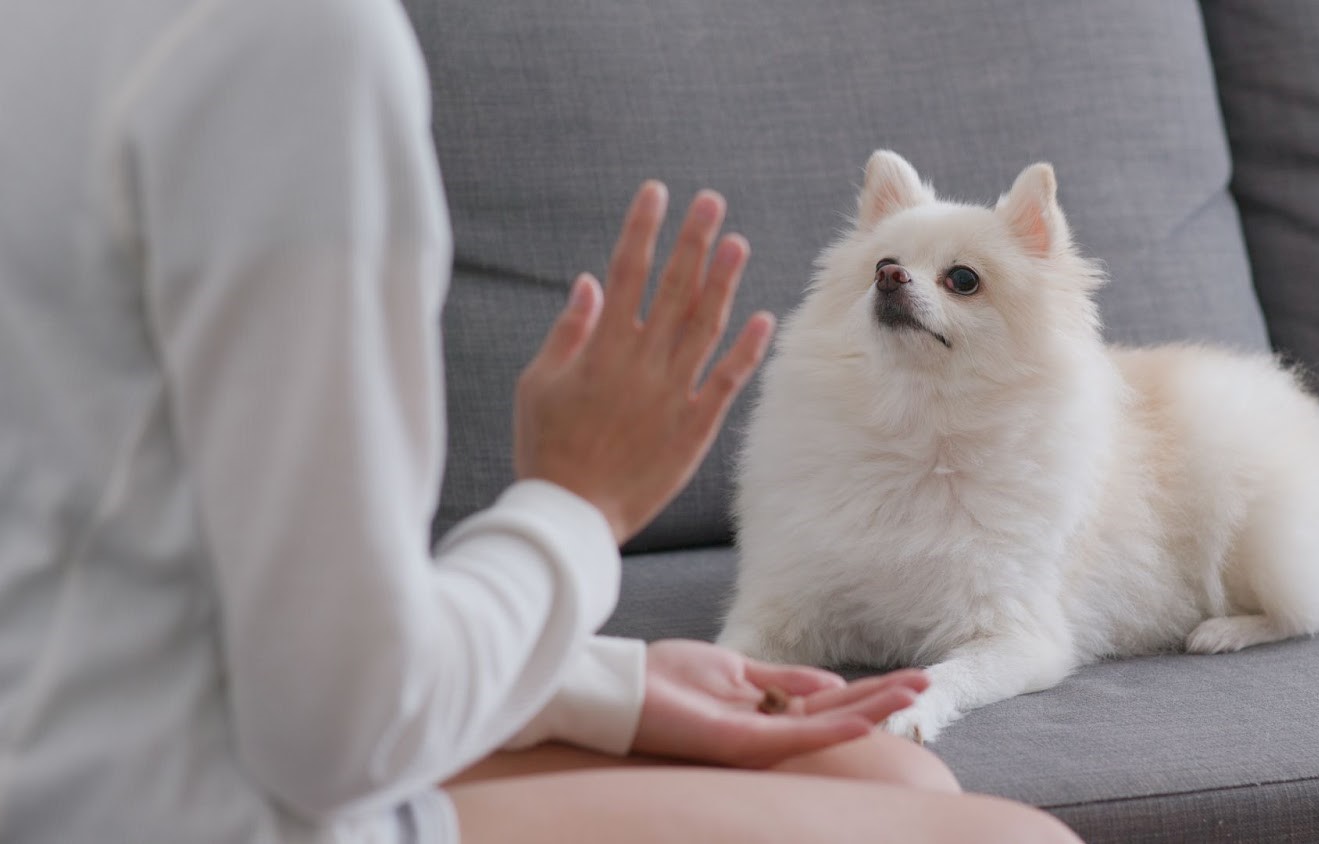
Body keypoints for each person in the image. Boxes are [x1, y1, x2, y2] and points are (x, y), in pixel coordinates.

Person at [0, 0, 1081, 842]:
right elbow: (332, 732)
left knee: (882, 765)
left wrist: (602, 682)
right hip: (133, 797)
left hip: (89, 719)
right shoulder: (288, 45)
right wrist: (573, 504)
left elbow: (170, 557)